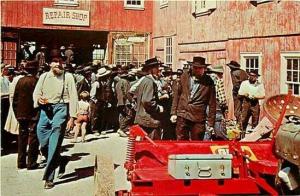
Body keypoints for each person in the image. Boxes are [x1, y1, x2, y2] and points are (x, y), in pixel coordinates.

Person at [33, 57, 78, 189]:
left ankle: (49, 177)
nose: (58, 64)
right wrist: (38, 99)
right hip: (45, 110)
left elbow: (74, 96)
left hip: (61, 108)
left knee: (54, 144)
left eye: (61, 62)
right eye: (55, 62)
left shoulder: (68, 77)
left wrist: (72, 117)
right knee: (43, 142)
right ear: (50, 64)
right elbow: (36, 93)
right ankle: (61, 160)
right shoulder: (44, 76)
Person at [171, 57, 216, 140]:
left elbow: (212, 103)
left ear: (204, 69)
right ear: (191, 67)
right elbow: (177, 95)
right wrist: (173, 112)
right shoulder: (184, 76)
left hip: (198, 117)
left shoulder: (209, 82)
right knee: (181, 141)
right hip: (183, 114)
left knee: (197, 143)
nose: (197, 70)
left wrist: (210, 123)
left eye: (200, 68)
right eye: (195, 68)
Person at [13, 60, 40, 169]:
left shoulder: (20, 81)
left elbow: (15, 99)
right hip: (34, 113)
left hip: (21, 113)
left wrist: (16, 113)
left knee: (22, 138)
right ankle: (31, 162)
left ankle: (21, 162)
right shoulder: (36, 81)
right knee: (33, 137)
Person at [134, 57, 164, 140]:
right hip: (149, 120)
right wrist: (158, 108)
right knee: (152, 145)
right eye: (157, 67)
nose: (158, 69)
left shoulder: (144, 80)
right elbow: (147, 101)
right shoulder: (150, 82)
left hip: (142, 118)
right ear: (151, 69)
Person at [238, 70, 265, 138]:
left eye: (254, 76)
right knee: (244, 119)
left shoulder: (259, 85)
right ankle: (242, 135)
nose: (252, 78)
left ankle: (253, 136)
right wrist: (245, 94)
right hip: (246, 101)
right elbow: (240, 93)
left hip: (255, 102)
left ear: (256, 77)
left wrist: (255, 96)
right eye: (251, 76)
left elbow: (263, 95)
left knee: (255, 119)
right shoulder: (244, 83)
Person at [207, 65, 228, 140]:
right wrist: (224, 106)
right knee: (219, 126)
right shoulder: (218, 80)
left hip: (204, 105)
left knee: (207, 127)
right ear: (219, 73)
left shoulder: (205, 79)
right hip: (215, 106)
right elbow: (222, 99)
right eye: (221, 74)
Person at [226, 60, 248, 125]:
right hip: (244, 92)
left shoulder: (234, 73)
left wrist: (237, 91)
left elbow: (236, 84)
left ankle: (239, 124)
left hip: (238, 92)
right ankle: (242, 123)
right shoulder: (243, 72)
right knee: (243, 109)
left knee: (237, 110)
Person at [115, 69, 131, 137]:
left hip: (119, 101)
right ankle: (122, 128)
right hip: (125, 101)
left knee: (122, 115)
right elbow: (127, 92)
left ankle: (122, 128)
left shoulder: (118, 82)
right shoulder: (125, 82)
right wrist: (131, 100)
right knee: (128, 115)